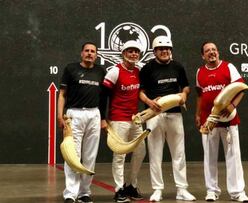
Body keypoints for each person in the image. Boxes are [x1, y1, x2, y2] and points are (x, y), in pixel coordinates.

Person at [139, 35, 196, 202]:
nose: (165, 51)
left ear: (171, 51)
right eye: (161, 49)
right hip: (154, 115)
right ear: (155, 51)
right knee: (155, 154)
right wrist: (149, 102)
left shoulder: (177, 66)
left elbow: (186, 86)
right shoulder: (147, 68)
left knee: (179, 153)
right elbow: (140, 92)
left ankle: (182, 189)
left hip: (175, 114)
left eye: (167, 49)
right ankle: (157, 190)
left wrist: (184, 94)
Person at [195, 42, 248, 202]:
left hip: (228, 121)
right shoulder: (200, 72)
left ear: (218, 52)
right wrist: (198, 115)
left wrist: (233, 105)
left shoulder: (229, 67)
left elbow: (242, 88)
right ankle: (212, 190)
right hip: (208, 121)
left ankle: (238, 192)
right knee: (209, 157)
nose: (211, 52)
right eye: (207, 51)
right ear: (203, 55)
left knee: (233, 156)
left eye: (214, 49)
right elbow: (200, 95)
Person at [57, 42, 107, 203]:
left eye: (93, 51)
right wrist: (60, 115)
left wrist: (103, 118)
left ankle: (84, 192)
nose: (89, 53)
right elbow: (62, 94)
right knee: (73, 155)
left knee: (90, 156)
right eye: (87, 51)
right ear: (81, 53)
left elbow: (103, 98)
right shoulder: (71, 69)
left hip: (94, 114)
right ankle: (70, 194)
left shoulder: (101, 71)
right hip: (74, 114)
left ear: (96, 55)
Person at [102, 40, 146, 203]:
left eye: (136, 51)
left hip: (135, 119)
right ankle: (119, 189)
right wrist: (103, 118)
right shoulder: (115, 71)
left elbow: (140, 93)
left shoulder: (138, 72)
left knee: (140, 152)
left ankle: (131, 185)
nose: (134, 54)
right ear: (123, 54)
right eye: (130, 51)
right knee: (119, 155)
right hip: (118, 119)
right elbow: (103, 95)